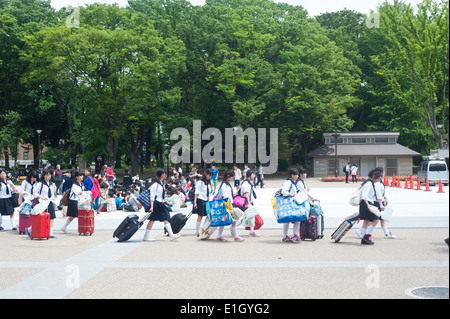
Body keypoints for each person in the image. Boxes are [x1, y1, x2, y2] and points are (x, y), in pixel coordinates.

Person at [143, 168, 180, 242]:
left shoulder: (162, 184)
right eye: (164, 173)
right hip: (156, 204)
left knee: (166, 218)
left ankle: (171, 235)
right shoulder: (155, 185)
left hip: (160, 203)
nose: (165, 175)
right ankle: (146, 236)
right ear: (161, 174)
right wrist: (152, 206)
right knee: (152, 220)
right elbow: (152, 196)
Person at [215, 170, 245, 242]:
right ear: (228, 176)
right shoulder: (225, 185)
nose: (233, 178)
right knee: (234, 220)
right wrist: (229, 207)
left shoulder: (225, 184)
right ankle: (236, 236)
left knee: (224, 221)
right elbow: (225, 196)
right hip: (227, 205)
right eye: (232, 176)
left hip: (226, 205)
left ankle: (219, 236)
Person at [29, 169, 57, 238]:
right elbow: (35, 193)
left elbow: (52, 194)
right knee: (40, 218)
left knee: (52, 217)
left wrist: (53, 198)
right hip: (42, 203)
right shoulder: (40, 184)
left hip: (49, 202)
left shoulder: (51, 184)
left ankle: (50, 233)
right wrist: (41, 197)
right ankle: (30, 229)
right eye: (47, 175)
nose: (49, 176)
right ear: (44, 176)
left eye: (50, 175)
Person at [358, 169, 383, 245]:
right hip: (367, 203)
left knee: (366, 221)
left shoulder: (368, 182)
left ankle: (364, 238)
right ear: (374, 176)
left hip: (365, 203)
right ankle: (366, 236)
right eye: (379, 179)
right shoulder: (369, 183)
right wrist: (368, 204)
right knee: (376, 220)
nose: (379, 180)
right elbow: (364, 195)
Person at [236, 169, 259, 237]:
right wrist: (249, 203)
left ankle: (251, 231)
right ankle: (233, 227)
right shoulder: (246, 183)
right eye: (253, 174)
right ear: (250, 174)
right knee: (249, 216)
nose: (254, 175)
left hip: (248, 202)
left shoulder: (248, 182)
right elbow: (246, 193)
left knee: (250, 216)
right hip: (246, 203)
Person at [281, 168, 302, 243]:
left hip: (290, 204)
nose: (297, 176)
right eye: (296, 174)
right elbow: (284, 192)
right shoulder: (288, 183)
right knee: (294, 219)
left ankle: (287, 236)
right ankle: (293, 235)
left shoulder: (292, 182)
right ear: (292, 175)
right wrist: (292, 195)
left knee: (291, 220)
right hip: (289, 204)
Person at [193, 169, 213, 236]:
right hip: (200, 199)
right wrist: (195, 202)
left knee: (208, 215)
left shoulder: (208, 183)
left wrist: (209, 200)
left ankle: (203, 229)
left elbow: (208, 193)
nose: (210, 177)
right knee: (200, 216)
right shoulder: (200, 182)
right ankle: (197, 231)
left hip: (206, 200)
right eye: (209, 175)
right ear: (205, 174)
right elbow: (196, 192)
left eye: (211, 176)